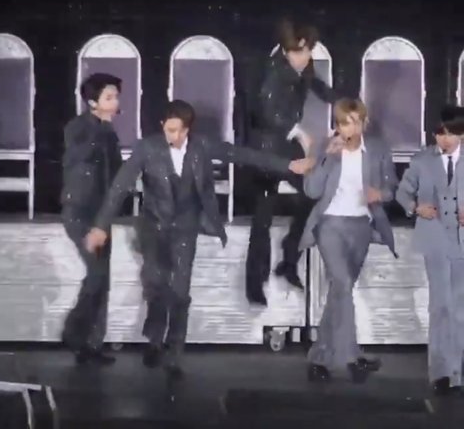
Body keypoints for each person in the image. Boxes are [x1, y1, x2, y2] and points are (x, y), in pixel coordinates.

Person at [84, 99, 313, 379]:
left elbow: (242, 155)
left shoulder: (201, 146)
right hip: (154, 226)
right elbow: (119, 188)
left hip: (185, 225)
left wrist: (288, 165)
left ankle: (174, 353)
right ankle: (154, 339)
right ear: (162, 126)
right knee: (156, 284)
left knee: (180, 291)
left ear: (188, 129)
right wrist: (100, 226)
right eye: (169, 130)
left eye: (178, 131)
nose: (173, 136)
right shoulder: (147, 148)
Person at [300, 98, 397, 383]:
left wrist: (380, 194)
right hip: (330, 225)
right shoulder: (323, 147)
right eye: (344, 123)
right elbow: (311, 190)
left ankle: (319, 359)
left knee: (339, 293)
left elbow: (391, 186)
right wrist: (327, 158)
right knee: (342, 284)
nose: (350, 128)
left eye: (355, 122)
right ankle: (352, 358)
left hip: (361, 226)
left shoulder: (377, 148)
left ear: (364, 123)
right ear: (337, 125)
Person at [246, 17, 338, 306]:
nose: (303, 58)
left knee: (314, 192)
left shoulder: (303, 65)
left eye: (307, 52)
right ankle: (255, 283)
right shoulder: (271, 70)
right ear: (286, 50)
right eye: (298, 52)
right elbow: (264, 110)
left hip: (285, 146)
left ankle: (289, 257)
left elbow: (317, 86)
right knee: (263, 216)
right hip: (265, 149)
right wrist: (297, 131)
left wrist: (343, 104)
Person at [396, 105, 464, 396]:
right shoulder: (422, 160)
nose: (444, 139)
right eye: (440, 133)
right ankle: (441, 372)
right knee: (440, 306)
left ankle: (458, 372)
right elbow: (402, 192)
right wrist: (415, 208)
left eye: (451, 133)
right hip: (435, 238)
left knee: (460, 308)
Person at [60, 73, 123, 365]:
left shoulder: (109, 132)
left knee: (103, 279)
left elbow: (116, 172)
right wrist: (101, 128)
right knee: (96, 274)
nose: (115, 102)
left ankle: (92, 345)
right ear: (92, 102)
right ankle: (73, 333)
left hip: (101, 213)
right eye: (109, 97)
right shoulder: (78, 127)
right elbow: (77, 156)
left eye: (116, 96)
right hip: (80, 212)